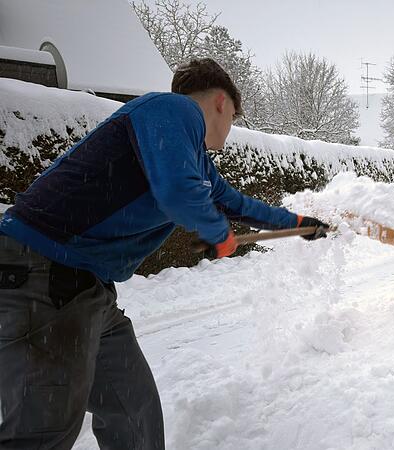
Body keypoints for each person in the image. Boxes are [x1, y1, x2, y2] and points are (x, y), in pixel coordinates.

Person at [0, 58, 328, 449]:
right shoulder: (172, 109)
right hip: (40, 272)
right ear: (222, 102)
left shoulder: (193, 157)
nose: (229, 131)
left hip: (84, 289)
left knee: (131, 407)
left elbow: (235, 203)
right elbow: (177, 192)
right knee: (43, 431)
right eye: (234, 118)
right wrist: (217, 233)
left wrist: (300, 222)